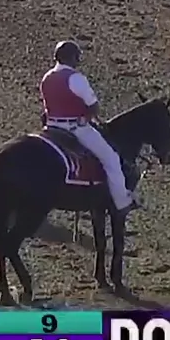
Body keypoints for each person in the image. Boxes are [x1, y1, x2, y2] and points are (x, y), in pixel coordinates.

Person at [40, 40, 138, 215]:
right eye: (77, 57)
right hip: (74, 127)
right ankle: (122, 201)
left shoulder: (46, 77)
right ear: (73, 57)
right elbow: (93, 106)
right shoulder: (76, 78)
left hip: (51, 127)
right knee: (112, 159)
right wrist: (86, 118)